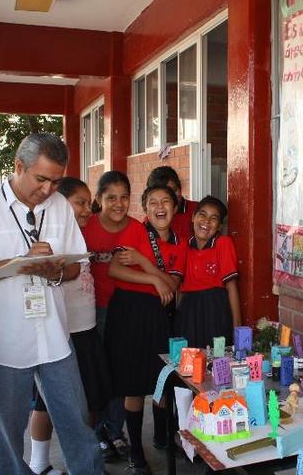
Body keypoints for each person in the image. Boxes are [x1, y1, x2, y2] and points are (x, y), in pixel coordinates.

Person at [0, 134, 103, 474]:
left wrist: (55, 269)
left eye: (55, 180)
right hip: (2, 340)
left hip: (54, 334)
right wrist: (22, 262)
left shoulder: (59, 207)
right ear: (18, 166)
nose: (48, 189)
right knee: (7, 432)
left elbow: (75, 266)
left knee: (76, 421)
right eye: (41, 179)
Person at [28, 177, 112, 475]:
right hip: (63, 332)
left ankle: (83, 457)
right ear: (59, 204)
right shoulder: (50, 235)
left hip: (85, 328)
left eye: (89, 203)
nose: (87, 209)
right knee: (46, 403)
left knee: (88, 397)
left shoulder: (79, 233)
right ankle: (39, 464)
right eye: (80, 202)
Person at [107, 184, 188, 475]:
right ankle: (136, 454)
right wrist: (154, 280)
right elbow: (114, 270)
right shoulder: (135, 231)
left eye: (165, 201)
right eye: (152, 202)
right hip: (129, 312)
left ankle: (163, 439)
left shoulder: (180, 243)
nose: (159, 207)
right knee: (133, 385)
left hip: (159, 316)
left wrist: (144, 264)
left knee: (160, 380)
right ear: (145, 208)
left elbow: (174, 285)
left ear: (175, 207)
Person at [82, 171, 144, 460]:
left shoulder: (137, 229)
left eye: (124, 197)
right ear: (98, 200)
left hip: (125, 311)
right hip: (91, 311)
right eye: (111, 198)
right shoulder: (86, 227)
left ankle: (116, 432)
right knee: (96, 374)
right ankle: (98, 437)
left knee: (120, 373)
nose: (119, 204)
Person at [175, 196, 241, 348]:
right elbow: (181, 289)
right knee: (189, 363)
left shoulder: (223, 243)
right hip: (189, 313)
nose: (206, 221)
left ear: (219, 226)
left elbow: (231, 287)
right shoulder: (184, 245)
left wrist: (237, 331)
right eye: (202, 214)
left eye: (213, 218)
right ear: (193, 217)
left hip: (215, 311)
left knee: (215, 362)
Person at [146, 166, 198, 239]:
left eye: (174, 190)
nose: (171, 197)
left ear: (180, 188)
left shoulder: (198, 210)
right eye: (164, 195)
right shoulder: (150, 220)